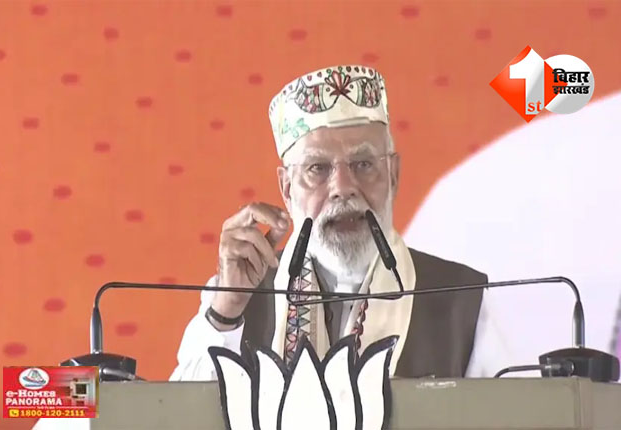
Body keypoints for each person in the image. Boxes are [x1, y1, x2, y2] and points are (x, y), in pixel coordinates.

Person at [170, 65, 487, 381]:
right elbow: (176, 408)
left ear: (393, 175)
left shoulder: (465, 300)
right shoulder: (237, 293)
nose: (342, 188)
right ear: (287, 189)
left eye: (363, 164)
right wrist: (226, 311)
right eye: (318, 168)